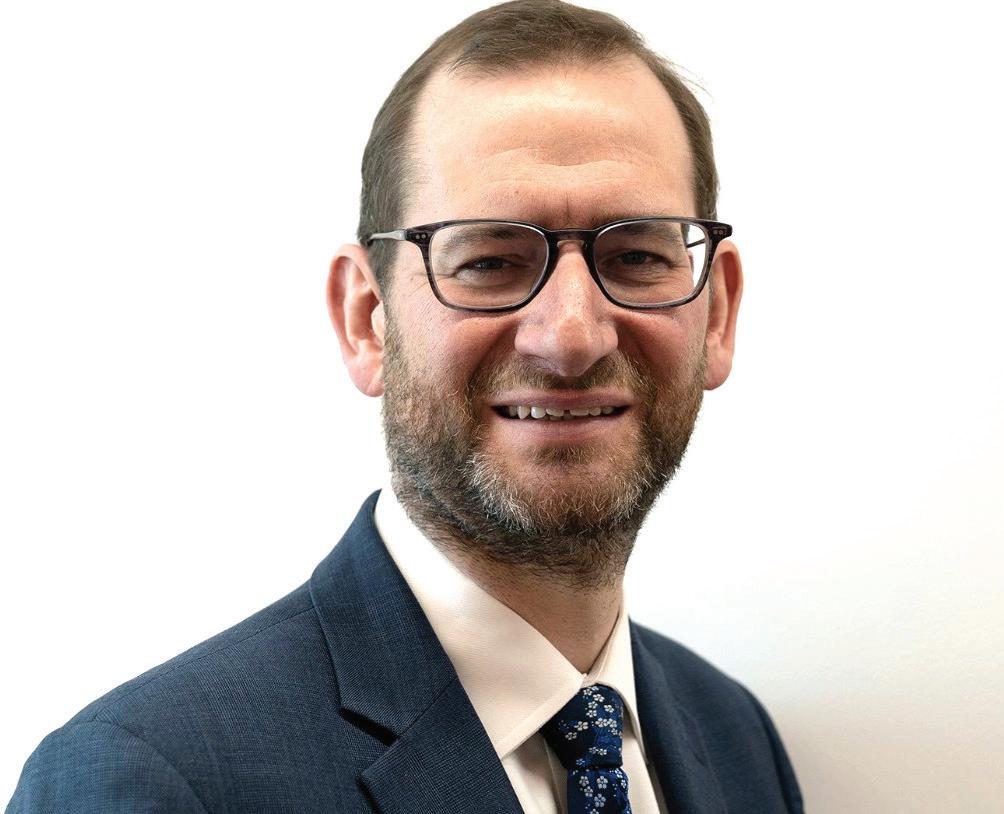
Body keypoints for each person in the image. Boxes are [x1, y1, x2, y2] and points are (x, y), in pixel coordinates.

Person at [7, 2, 803, 812]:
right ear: (366, 319)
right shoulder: (145, 778)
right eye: (489, 261)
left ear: (718, 315)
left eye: (636, 255)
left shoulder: (735, 739)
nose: (571, 335)